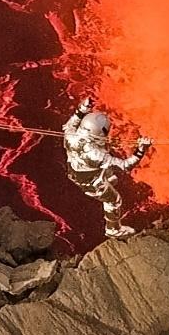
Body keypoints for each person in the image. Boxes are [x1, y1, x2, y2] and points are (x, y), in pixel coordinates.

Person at [62, 96, 152, 238]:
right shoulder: (95, 154)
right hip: (91, 183)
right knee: (114, 200)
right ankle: (113, 229)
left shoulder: (70, 134)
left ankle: (107, 179)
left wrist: (84, 108)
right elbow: (125, 165)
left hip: (75, 171)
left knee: (109, 175)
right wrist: (141, 149)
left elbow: (74, 120)